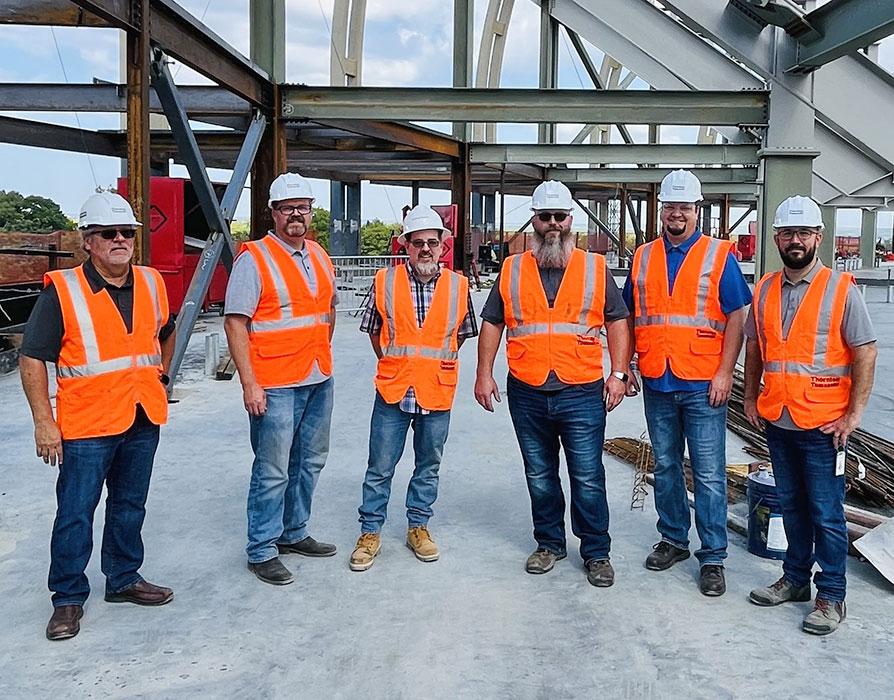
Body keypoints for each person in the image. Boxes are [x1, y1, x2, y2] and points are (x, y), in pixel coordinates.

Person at [20, 191, 176, 641]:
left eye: (127, 232)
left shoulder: (150, 282)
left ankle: (124, 578)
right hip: (87, 424)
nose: (119, 240)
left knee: (130, 505)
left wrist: (161, 374)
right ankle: (67, 598)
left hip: (142, 415)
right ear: (88, 241)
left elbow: (165, 332)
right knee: (75, 511)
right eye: (108, 233)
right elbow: (33, 358)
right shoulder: (64, 290)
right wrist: (43, 421)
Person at [475, 180, 630, 588]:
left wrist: (618, 373)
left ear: (571, 221)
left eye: (560, 216)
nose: (553, 225)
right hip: (526, 390)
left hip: (581, 390)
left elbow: (617, 320)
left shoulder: (595, 268)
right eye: (545, 217)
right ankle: (549, 543)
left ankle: (596, 552)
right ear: (534, 221)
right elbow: (492, 321)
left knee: (587, 475)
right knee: (539, 474)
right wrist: (483, 373)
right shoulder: (511, 267)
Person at [744, 195, 877, 635]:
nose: (795, 241)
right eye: (787, 234)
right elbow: (757, 348)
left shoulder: (842, 289)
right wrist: (749, 398)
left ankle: (831, 596)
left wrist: (853, 414)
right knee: (792, 507)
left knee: (826, 513)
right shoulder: (763, 287)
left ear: (818, 238)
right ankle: (796, 580)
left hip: (824, 426)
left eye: (803, 233)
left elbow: (865, 350)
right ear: (776, 238)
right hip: (779, 419)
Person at [623, 169, 751, 597]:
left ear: (697, 211)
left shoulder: (718, 256)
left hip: (701, 383)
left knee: (711, 474)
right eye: (670, 207)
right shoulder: (642, 257)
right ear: (662, 210)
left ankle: (713, 557)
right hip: (658, 379)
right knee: (666, 466)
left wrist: (723, 372)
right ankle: (674, 539)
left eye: (684, 207)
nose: (676, 214)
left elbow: (738, 315)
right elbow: (627, 317)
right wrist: (627, 366)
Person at [349, 205, 477, 571]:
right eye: (417, 242)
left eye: (432, 243)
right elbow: (374, 330)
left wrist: (434, 362)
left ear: (442, 247)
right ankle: (370, 532)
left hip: (436, 389)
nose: (425, 249)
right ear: (405, 245)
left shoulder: (458, 286)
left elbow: (462, 334)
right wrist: (395, 360)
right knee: (380, 467)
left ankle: (418, 526)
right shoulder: (385, 282)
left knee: (428, 465)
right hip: (393, 389)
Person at [224, 173, 337, 586]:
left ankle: (294, 532)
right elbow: (236, 323)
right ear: (272, 213)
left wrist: (320, 353)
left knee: (309, 461)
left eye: (303, 207)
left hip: (317, 375)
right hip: (273, 381)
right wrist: (249, 383)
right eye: (288, 208)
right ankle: (262, 548)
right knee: (273, 468)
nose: (296, 214)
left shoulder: (319, 255)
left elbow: (328, 311)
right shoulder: (254, 258)